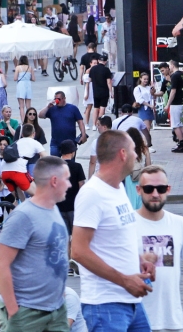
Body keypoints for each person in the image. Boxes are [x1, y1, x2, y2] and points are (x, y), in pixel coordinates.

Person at [72, 130, 156, 332]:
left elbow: (115, 240)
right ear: (122, 154)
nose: (137, 155)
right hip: (105, 305)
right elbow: (78, 251)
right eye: (134, 150)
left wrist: (139, 261)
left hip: (130, 301)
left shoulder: (118, 188)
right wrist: (125, 280)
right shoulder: (92, 193)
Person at [0, 156, 72, 332]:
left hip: (56, 310)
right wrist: (14, 311)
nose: (70, 184)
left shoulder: (53, 209)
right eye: (66, 179)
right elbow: (0, 266)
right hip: (27, 312)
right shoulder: (24, 215)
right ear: (54, 181)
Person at [134, 165, 183, 332]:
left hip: (173, 321)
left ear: (168, 189)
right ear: (139, 190)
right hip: (135, 321)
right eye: (149, 189)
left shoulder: (180, 224)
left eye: (161, 188)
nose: (155, 194)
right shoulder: (127, 224)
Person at [56, 140, 86, 277]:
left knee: (64, 237)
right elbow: (82, 186)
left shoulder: (56, 167)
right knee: (76, 236)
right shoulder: (77, 166)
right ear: (73, 152)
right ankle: (76, 261)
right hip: (75, 207)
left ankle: (67, 265)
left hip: (59, 206)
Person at [39, 91, 86, 157]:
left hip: (70, 143)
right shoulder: (52, 109)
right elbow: (40, 115)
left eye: (59, 99)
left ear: (64, 98)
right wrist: (47, 107)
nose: (57, 101)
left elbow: (80, 122)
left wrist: (83, 134)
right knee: (55, 164)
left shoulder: (73, 108)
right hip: (55, 142)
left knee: (69, 164)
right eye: (55, 99)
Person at [167, 60, 183, 153]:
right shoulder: (182, 75)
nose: (169, 67)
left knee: (176, 124)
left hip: (176, 103)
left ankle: (181, 143)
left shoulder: (174, 76)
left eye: (169, 65)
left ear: (172, 65)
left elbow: (173, 91)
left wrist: (168, 104)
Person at [123, 128, 151, 210]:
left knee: (131, 198)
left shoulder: (127, 150)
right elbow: (148, 166)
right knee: (140, 198)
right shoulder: (143, 149)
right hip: (141, 177)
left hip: (129, 177)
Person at [132, 73, 156, 150]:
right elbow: (139, 100)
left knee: (148, 127)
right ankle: (146, 145)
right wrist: (149, 105)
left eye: (147, 79)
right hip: (143, 108)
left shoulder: (148, 87)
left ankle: (145, 144)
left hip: (149, 108)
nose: (146, 80)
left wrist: (153, 90)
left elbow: (153, 96)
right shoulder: (137, 88)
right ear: (140, 79)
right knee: (147, 127)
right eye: (144, 79)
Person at [87, 55, 113, 127]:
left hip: (95, 91)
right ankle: (99, 123)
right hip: (104, 91)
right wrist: (111, 92)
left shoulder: (93, 69)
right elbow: (109, 82)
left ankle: (94, 125)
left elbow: (89, 80)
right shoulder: (106, 70)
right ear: (105, 61)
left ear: (98, 61)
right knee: (102, 108)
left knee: (95, 107)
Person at [14, 56, 34, 123]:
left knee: (21, 106)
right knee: (28, 106)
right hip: (28, 85)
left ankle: (23, 120)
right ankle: (30, 120)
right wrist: (27, 78)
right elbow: (33, 79)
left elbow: (15, 78)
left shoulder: (18, 68)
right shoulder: (30, 68)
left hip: (21, 85)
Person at [81, 57, 97, 131]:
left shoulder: (97, 70)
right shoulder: (88, 71)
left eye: (96, 63)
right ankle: (86, 123)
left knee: (96, 108)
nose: (95, 64)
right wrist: (86, 94)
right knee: (88, 107)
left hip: (96, 89)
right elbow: (87, 84)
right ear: (90, 64)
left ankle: (95, 123)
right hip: (90, 90)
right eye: (94, 63)